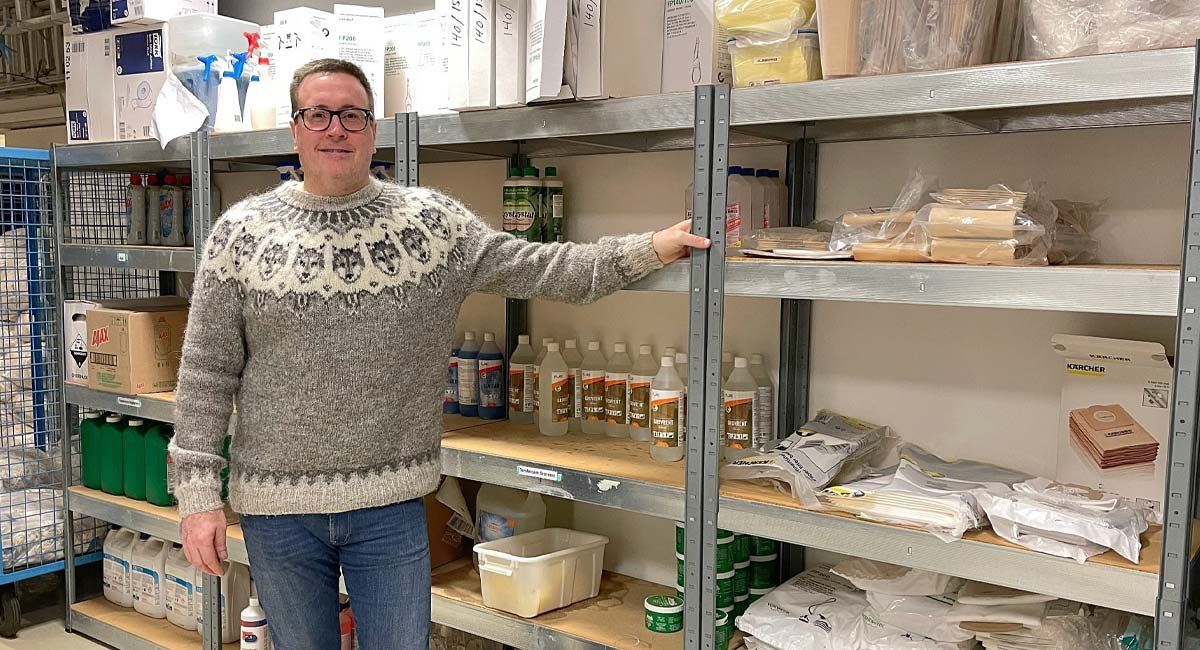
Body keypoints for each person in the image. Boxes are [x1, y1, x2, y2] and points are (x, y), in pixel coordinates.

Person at [170, 58, 709, 649]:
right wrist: (198, 499)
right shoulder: (241, 234)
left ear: (372, 129)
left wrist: (651, 248)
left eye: (351, 114)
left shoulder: (430, 226)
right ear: (295, 129)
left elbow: (545, 268)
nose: (336, 129)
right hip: (276, 511)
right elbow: (205, 373)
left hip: (391, 504)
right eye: (318, 114)